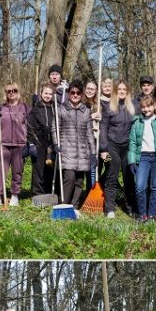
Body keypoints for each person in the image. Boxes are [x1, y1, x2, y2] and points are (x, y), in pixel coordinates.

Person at [51, 80, 95, 212]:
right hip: (66, 150)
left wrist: (93, 153)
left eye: (78, 93)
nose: (75, 95)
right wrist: (56, 143)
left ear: (81, 95)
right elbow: (55, 128)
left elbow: (89, 133)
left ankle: (75, 207)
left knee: (79, 181)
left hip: (83, 152)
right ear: (69, 93)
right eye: (73, 92)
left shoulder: (86, 111)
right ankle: (64, 205)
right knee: (69, 178)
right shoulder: (61, 109)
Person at [128, 96, 156, 222]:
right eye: (143, 107)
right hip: (143, 157)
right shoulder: (137, 122)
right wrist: (131, 161)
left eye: (149, 106)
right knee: (140, 187)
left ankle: (152, 215)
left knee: (155, 187)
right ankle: (143, 215)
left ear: (154, 107)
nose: (146, 109)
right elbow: (132, 142)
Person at [0, 82, 31, 208]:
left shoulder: (25, 108)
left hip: (19, 144)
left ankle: (14, 195)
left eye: (14, 90)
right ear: (6, 94)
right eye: (9, 91)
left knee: (17, 171)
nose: (12, 93)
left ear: (18, 92)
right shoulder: (1, 108)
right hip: (4, 144)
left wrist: (29, 143)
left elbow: (32, 125)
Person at [99, 79, 135, 219]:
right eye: (119, 89)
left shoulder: (132, 107)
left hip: (127, 147)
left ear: (127, 92)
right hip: (111, 147)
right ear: (115, 91)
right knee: (111, 175)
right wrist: (103, 149)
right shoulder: (109, 107)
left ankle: (130, 207)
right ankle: (110, 209)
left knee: (129, 177)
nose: (121, 92)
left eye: (124, 90)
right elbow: (103, 127)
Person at [28, 83, 58, 198]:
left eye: (50, 94)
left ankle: (49, 191)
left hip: (52, 141)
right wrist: (32, 142)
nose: (48, 96)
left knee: (50, 167)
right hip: (39, 141)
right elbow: (30, 127)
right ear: (41, 93)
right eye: (46, 93)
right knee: (38, 168)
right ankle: (37, 193)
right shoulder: (36, 109)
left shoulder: (55, 109)